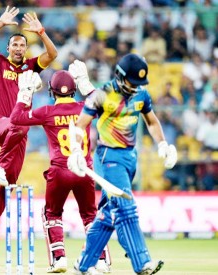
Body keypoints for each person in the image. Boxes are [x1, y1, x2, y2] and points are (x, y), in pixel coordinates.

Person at [67, 54, 177, 275]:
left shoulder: (141, 95)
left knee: (108, 214)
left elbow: (152, 121)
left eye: (139, 84)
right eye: (132, 82)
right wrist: (76, 150)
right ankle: (142, 263)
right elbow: (80, 125)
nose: (135, 88)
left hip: (129, 158)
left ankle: (84, 264)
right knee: (126, 208)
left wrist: (163, 144)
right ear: (120, 76)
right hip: (108, 158)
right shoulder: (101, 96)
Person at [0, 6, 57, 260]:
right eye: (15, 45)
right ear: (9, 48)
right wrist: (0, 23)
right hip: (0, 124)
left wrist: (41, 32)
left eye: (23, 45)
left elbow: (52, 53)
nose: (19, 48)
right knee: (21, 121)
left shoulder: (32, 67)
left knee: (7, 185)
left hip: (18, 137)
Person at [9, 69, 111, 273]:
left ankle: (59, 259)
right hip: (83, 169)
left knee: (52, 214)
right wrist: (86, 84)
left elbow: (16, 118)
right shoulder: (84, 107)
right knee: (90, 215)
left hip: (60, 172)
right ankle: (100, 259)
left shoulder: (47, 112)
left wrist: (25, 93)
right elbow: (108, 108)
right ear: (73, 91)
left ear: (51, 91)